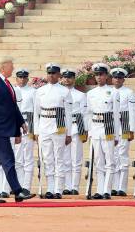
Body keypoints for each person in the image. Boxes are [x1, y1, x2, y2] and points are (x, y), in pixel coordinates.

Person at [0, 56, 35, 203]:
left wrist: (21, 122)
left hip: (5, 128)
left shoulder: (6, 82)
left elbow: (12, 106)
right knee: (9, 160)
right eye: (11, 66)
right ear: (3, 67)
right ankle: (18, 191)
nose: (13, 68)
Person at [33, 62, 72, 199]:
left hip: (59, 127)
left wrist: (69, 133)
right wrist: (36, 131)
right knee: (47, 159)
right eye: (49, 73)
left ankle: (58, 189)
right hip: (44, 127)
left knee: (59, 158)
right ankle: (50, 188)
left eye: (54, 73)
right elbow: (36, 113)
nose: (51, 75)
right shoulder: (40, 91)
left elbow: (68, 114)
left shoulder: (65, 91)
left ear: (59, 75)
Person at [86, 63, 120, 199]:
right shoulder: (90, 93)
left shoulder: (113, 92)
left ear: (106, 76)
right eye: (97, 75)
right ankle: (100, 190)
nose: (99, 77)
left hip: (108, 127)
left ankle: (107, 190)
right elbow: (88, 113)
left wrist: (117, 134)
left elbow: (116, 115)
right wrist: (89, 132)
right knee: (98, 161)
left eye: (101, 74)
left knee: (110, 160)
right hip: (95, 127)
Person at [61, 68, 87, 195]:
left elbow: (84, 114)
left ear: (74, 79)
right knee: (65, 159)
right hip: (63, 128)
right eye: (65, 77)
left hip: (77, 128)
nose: (67, 79)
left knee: (76, 158)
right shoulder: (59, 93)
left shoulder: (81, 95)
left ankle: (75, 186)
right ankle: (67, 185)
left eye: (69, 77)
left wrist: (85, 131)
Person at [110, 67, 135, 197]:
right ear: (112, 79)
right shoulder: (108, 92)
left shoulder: (129, 92)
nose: (117, 80)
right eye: (115, 77)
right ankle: (113, 186)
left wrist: (132, 129)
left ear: (123, 79)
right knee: (112, 156)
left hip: (124, 124)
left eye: (120, 78)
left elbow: (132, 111)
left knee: (123, 155)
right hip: (111, 126)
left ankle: (122, 187)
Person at [14, 68, 35, 192]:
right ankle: (18, 186)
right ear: (16, 78)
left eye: (24, 77)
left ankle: (26, 186)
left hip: (28, 125)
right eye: (20, 77)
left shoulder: (33, 91)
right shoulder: (13, 90)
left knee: (28, 157)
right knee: (17, 158)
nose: (22, 79)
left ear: (27, 79)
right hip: (15, 126)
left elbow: (36, 111)